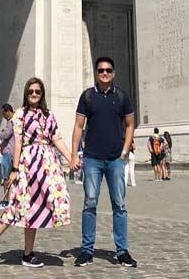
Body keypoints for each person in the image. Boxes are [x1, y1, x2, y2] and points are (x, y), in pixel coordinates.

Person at [0, 77, 75, 268]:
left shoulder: (49, 115)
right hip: (28, 165)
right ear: (26, 94)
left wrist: (71, 158)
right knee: (17, 206)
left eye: (38, 91)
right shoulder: (20, 115)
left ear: (42, 94)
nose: (34, 94)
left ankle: (28, 254)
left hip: (47, 166)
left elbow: (57, 138)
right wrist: (14, 169)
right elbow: (18, 143)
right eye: (31, 91)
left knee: (36, 208)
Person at [71, 56, 138, 268]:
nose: (105, 73)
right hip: (92, 159)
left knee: (119, 205)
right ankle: (86, 250)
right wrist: (74, 154)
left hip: (116, 160)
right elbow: (78, 126)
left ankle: (122, 250)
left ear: (114, 73)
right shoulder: (87, 96)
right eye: (101, 70)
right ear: (96, 73)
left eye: (108, 70)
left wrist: (125, 151)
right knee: (90, 203)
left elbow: (130, 124)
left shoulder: (122, 96)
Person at [0, 104, 15, 209]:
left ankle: (5, 201)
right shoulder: (12, 121)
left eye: (3, 113)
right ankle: (9, 200)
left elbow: (6, 135)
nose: (3, 116)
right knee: (9, 178)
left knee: (6, 178)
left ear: (8, 111)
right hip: (10, 151)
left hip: (9, 153)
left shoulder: (11, 121)